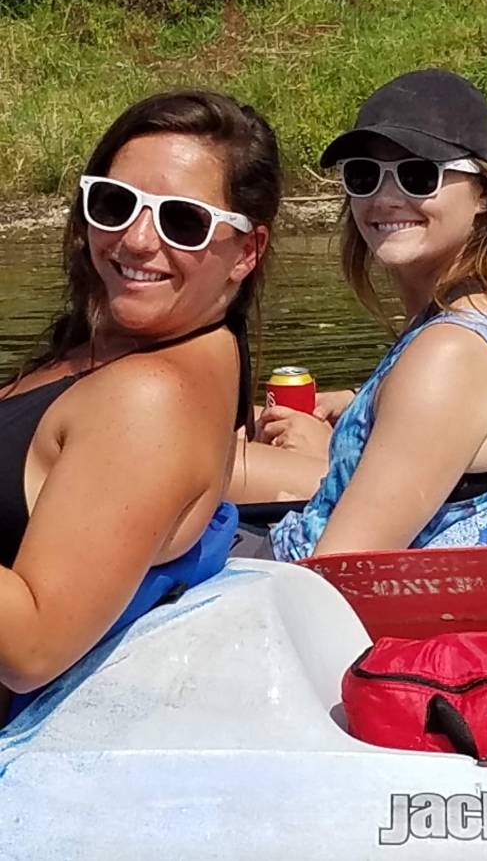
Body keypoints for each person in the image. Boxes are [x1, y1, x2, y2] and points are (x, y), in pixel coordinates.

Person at [0, 89, 281, 724]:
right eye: (114, 203)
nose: (134, 239)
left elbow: (34, 644)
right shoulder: (148, 348)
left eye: (183, 220)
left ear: (246, 251)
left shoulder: (150, 398)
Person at [252, 69, 487, 560]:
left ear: (483, 196)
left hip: (295, 597)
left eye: (418, 175)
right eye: (364, 175)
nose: (385, 198)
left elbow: (340, 571)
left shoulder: (449, 356)